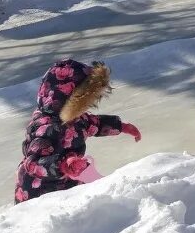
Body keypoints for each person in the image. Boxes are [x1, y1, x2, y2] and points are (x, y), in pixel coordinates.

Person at [15, 59, 141, 203]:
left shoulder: (77, 119)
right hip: (38, 190)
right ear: (70, 100)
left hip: (70, 177)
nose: (87, 107)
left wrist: (121, 126)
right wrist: (63, 164)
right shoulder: (46, 128)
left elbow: (95, 123)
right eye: (85, 102)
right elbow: (33, 164)